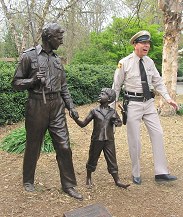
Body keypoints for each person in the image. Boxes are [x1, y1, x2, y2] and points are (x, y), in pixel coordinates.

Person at [12, 23, 83, 200]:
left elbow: (64, 86)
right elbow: (15, 83)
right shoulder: (29, 56)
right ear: (48, 38)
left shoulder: (57, 60)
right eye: (59, 38)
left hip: (57, 105)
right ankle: (28, 180)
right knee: (33, 146)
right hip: (37, 105)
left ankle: (69, 185)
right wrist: (32, 81)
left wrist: (71, 106)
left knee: (64, 146)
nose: (61, 41)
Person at [111, 30, 179, 185]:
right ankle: (136, 173)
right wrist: (110, 108)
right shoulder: (124, 62)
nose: (146, 46)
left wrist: (168, 98)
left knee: (158, 133)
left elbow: (158, 81)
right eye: (143, 43)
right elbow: (116, 87)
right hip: (133, 104)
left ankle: (161, 172)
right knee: (134, 139)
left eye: (148, 43)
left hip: (148, 104)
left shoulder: (149, 62)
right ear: (135, 44)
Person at [73, 88, 130, 189]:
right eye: (100, 93)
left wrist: (123, 115)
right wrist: (75, 118)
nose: (100, 95)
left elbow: (121, 123)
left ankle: (117, 180)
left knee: (112, 160)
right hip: (97, 139)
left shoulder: (113, 112)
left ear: (109, 99)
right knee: (92, 158)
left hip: (109, 140)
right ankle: (89, 177)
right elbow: (83, 124)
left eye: (103, 94)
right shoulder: (94, 111)